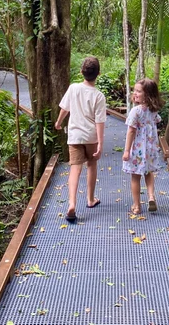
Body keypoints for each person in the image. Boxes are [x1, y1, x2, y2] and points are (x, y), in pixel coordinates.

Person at [55, 56, 107, 223]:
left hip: (75, 136)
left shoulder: (73, 88)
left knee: (75, 169)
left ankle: (72, 203)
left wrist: (58, 122)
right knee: (91, 165)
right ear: (98, 74)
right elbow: (99, 121)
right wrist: (100, 144)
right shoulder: (99, 96)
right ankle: (90, 199)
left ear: (81, 72)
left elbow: (64, 108)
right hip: (91, 137)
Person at [121, 78, 165, 215]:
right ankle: (151, 196)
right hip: (150, 148)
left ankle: (137, 205)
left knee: (135, 177)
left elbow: (131, 131)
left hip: (137, 149)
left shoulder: (136, 111)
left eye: (138, 91)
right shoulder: (153, 111)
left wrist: (126, 150)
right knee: (148, 172)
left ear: (147, 95)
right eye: (134, 90)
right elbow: (155, 124)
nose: (135, 93)